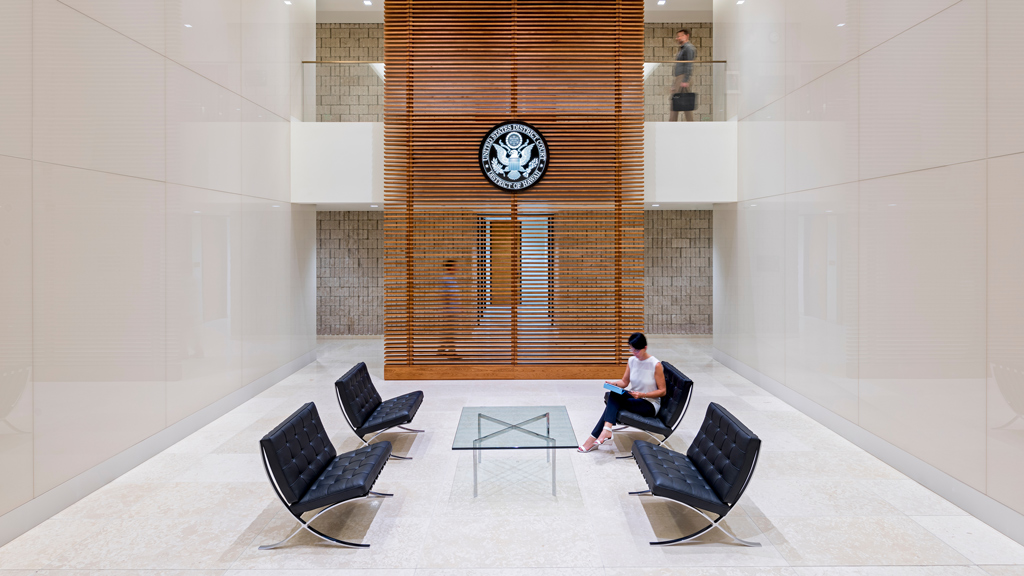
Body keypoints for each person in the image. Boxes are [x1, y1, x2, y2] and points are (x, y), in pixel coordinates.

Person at [578, 332, 666, 452]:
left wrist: (642, 394)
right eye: (632, 350)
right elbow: (624, 382)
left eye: (637, 351)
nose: (634, 353)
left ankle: (594, 438)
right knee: (614, 392)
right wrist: (613, 383)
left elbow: (662, 391)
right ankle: (606, 431)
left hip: (648, 403)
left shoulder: (655, 365)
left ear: (645, 348)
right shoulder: (632, 361)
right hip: (634, 397)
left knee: (613, 403)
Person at [669, 28, 696, 122]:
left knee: (676, 100)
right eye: (678, 36)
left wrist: (685, 80)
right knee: (683, 101)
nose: (678, 38)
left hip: (682, 76)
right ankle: (689, 122)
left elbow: (689, 64)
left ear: (687, 36)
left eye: (681, 36)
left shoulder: (689, 48)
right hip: (679, 77)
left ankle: (672, 123)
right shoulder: (683, 49)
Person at [438, 259, 459, 358]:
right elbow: (445, 295)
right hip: (449, 309)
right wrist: (446, 309)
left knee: (448, 331)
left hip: (453, 309)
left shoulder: (452, 279)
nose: (457, 268)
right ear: (450, 267)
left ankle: (441, 350)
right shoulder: (446, 279)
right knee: (450, 331)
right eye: (455, 266)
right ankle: (452, 352)